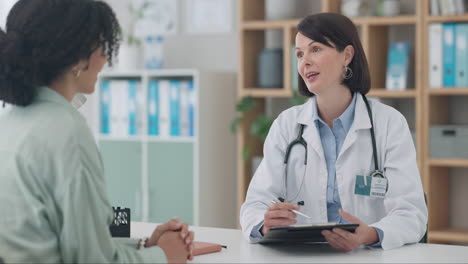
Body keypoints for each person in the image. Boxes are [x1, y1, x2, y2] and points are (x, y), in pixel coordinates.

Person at [0, 0, 194, 263]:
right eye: (103, 47)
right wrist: (165, 255)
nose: (105, 59)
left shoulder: (10, 120)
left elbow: (58, 238)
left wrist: (143, 244)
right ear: (78, 58)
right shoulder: (66, 133)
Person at [240, 13, 427, 251]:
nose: (304, 61)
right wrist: (265, 223)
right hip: (302, 254)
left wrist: (369, 234)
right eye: (299, 54)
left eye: (315, 49)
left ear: (347, 55)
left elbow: (412, 214)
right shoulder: (286, 126)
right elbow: (254, 204)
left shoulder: (389, 124)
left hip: (367, 256)